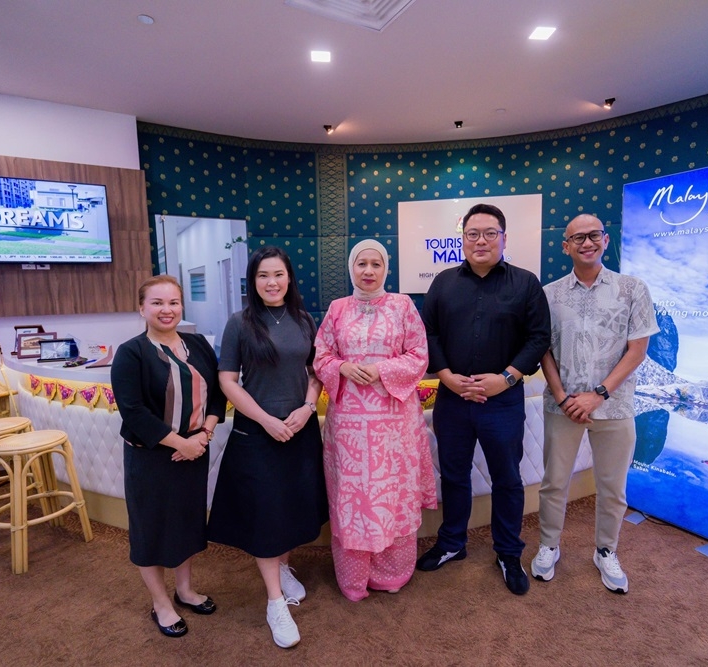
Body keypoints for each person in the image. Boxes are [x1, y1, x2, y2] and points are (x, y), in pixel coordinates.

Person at [416, 203, 551, 596]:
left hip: (502, 401)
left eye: (490, 233)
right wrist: (446, 376)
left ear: (504, 238)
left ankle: (508, 552)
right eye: (472, 234)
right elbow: (429, 334)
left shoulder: (526, 284)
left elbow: (538, 338)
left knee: (507, 479)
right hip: (452, 399)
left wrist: (505, 378)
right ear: (462, 240)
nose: (481, 241)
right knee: (454, 475)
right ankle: (452, 542)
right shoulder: (443, 283)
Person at [206, 245, 328, 649]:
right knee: (266, 515)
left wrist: (307, 408)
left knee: (292, 506)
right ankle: (275, 602)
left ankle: (283, 566)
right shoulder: (239, 323)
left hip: (299, 430)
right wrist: (266, 420)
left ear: (289, 278)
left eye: (278, 274)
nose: (271, 282)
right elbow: (227, 381)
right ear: (252, 281)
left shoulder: (304, 319)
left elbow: (315, 372)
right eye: (263, 276)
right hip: (258, 433)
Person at [536, 213, 659, 595]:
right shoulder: (549, 294)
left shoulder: (632, 289)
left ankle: (606, 550)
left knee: (612, 487)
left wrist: (598, 394)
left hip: (615, 406)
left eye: (593, 236)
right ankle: (548, 545)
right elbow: (543, 349)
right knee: (554, 483)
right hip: (563, 407)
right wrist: (562, 396)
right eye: (578, 238)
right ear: (565, 246)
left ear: (605, 240)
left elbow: (637, 350)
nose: (586, 243)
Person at [313, 240, 437, 601]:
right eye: (361, 264)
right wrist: (342, 367)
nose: (368, 271)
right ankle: (354, 578)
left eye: (376, 264)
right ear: (351, 268)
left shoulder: (403, 305)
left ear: (386, 269)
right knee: (353, 498)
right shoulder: (337, 309)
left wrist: (381, 369)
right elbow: (321, 356)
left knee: (392, 493)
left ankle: (392, 573)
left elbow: (419, 355)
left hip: (394, 423)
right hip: (348, 424)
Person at [111, 275, 226, 638]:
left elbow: (218, 396)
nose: (167, 310)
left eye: (173, 302)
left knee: (186, 524)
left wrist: (203, 436)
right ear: (141, 308)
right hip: (152, 458)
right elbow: (133, 411)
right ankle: (161, 603)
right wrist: (180, 443)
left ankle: (185, 590)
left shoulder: (199, 345)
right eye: (157, 303)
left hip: (195, 451)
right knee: (152, 529)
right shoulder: (131, 352)